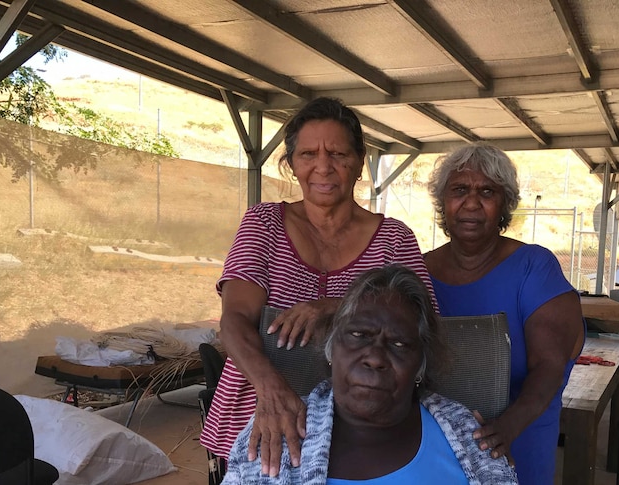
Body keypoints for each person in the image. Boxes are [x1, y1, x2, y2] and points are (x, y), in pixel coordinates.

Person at [200, 97, 435, 476]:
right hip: (259, 415)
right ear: (292, 163)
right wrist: (271, 391)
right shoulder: (264, 223)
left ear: (359, 162)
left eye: (338, 153)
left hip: (360, 427)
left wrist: (337, 307)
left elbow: (425, 325)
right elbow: (234, 321)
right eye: (308, 153)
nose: (323, 167)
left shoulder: (393, 238)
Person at [221, 265, 518, 484]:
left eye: (399, 343)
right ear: (331, 350)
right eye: (359, 335)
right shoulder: (273, 438)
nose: (375, 357)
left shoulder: (468, 436)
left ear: (420, 365)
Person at [424, 142, 586, 484]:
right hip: (432, 448)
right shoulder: (419, 271)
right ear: (443, 202)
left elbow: (549, 365)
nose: (471, 202)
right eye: (459, 190)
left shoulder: (534, 268)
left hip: (516, 444)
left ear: (504, 205)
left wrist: (507, 428)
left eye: (487, 191)